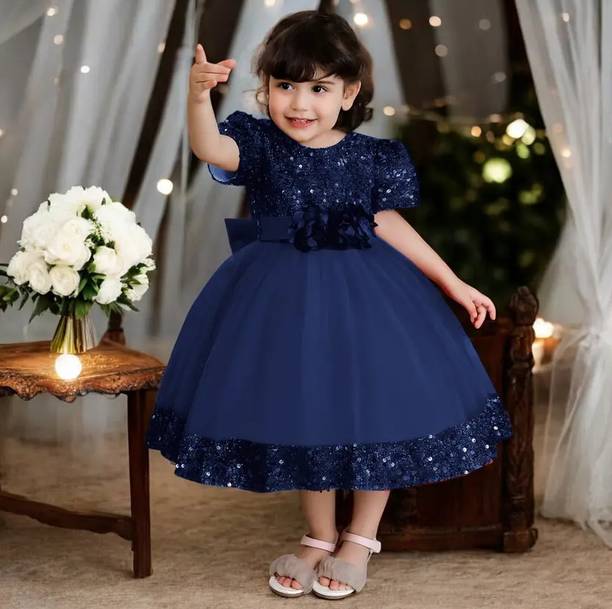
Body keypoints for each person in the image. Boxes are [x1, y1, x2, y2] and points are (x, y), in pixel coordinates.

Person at [146, 9, 513, 601]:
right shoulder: (259, 144)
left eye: (319, 89)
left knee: (377, 407)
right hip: (282, 301)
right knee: (305, 405)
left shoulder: (372, 157)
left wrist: (452, 282)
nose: (300, 103)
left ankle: (361, 537)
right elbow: (208, 146)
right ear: (265, 88)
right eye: (285, 85)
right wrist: (196, 97)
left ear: (349, 93)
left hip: (368, 299)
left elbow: (387, 223)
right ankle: (319, 535)